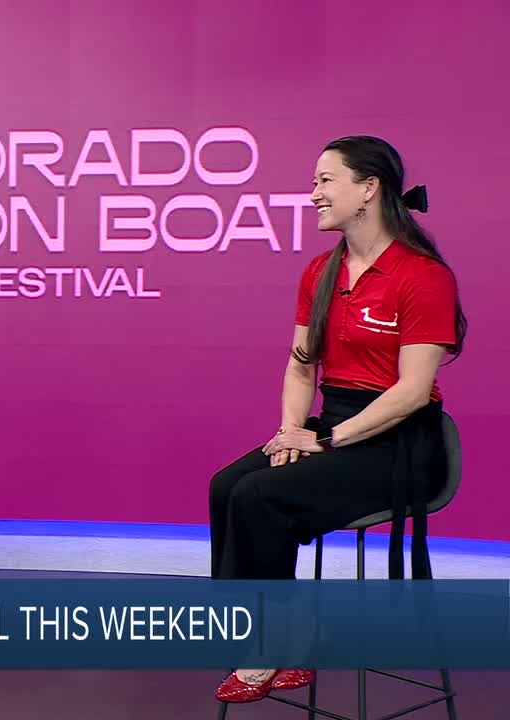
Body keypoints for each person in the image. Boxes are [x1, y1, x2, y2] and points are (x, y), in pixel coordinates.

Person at [208, 136, 466, 703]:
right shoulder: (320, 272)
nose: (314, 195)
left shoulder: (423, 276)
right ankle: (268, 631)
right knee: (227, 485)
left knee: (260, 495)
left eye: (326, 181)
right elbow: (301, 367)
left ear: (369, 188)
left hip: (401, 445)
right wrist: (290, 433)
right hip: (335, 423)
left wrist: (325, 443)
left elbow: (411, 393)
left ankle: (278, 642)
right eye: (315, 182)